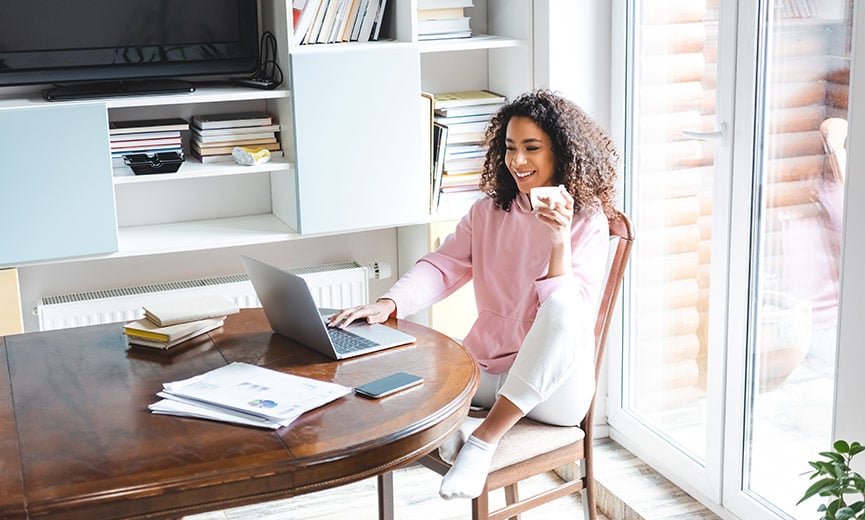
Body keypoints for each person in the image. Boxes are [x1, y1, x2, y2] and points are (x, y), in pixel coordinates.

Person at [328, 89, 620, 500]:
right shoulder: (488, 212)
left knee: (563, 305)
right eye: (510, 148)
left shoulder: (588, 221)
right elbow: (442, 265)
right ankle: (461, 428)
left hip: (555, 390)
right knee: (398, 378)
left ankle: (482, 440)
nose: (517, 161)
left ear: (563, 153)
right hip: (487, 371)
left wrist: (559, 242)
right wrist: (388, 304)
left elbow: (571, 314)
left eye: (532, 148)